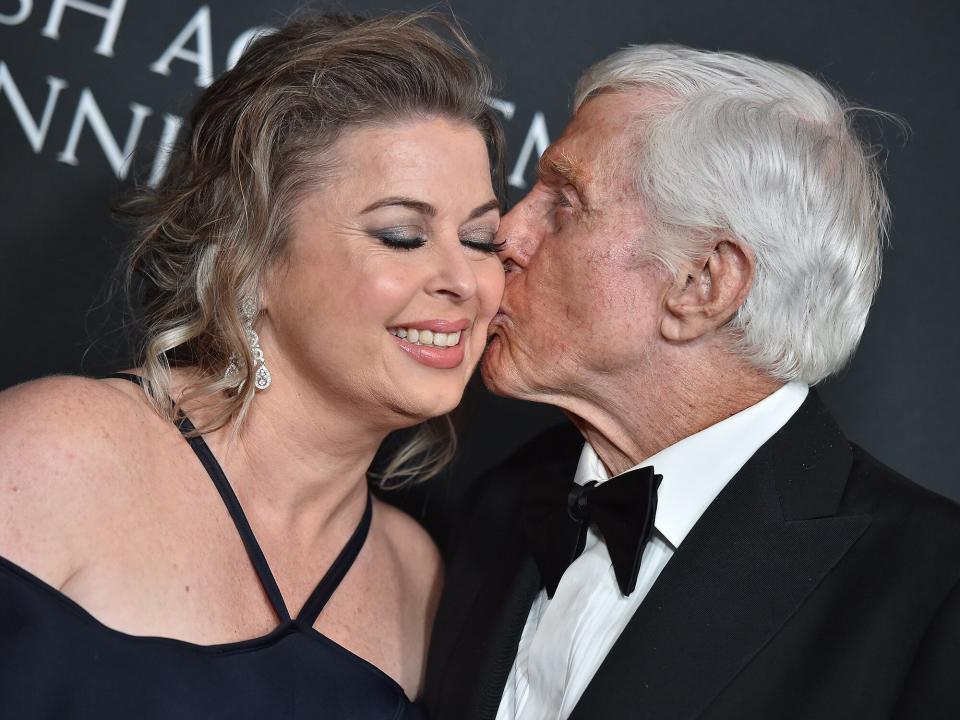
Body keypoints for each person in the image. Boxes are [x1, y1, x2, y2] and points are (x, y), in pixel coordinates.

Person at [423, 45, 960, 719]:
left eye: (563, 203)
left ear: (703, 283)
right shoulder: (495, 504)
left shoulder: (933, 594)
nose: (507, 231)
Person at [0, 10, 505, 719]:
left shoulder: (414, 574)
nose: (464, 279)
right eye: (402, 235)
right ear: (252, 257)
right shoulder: (57, 453)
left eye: (482, 240)